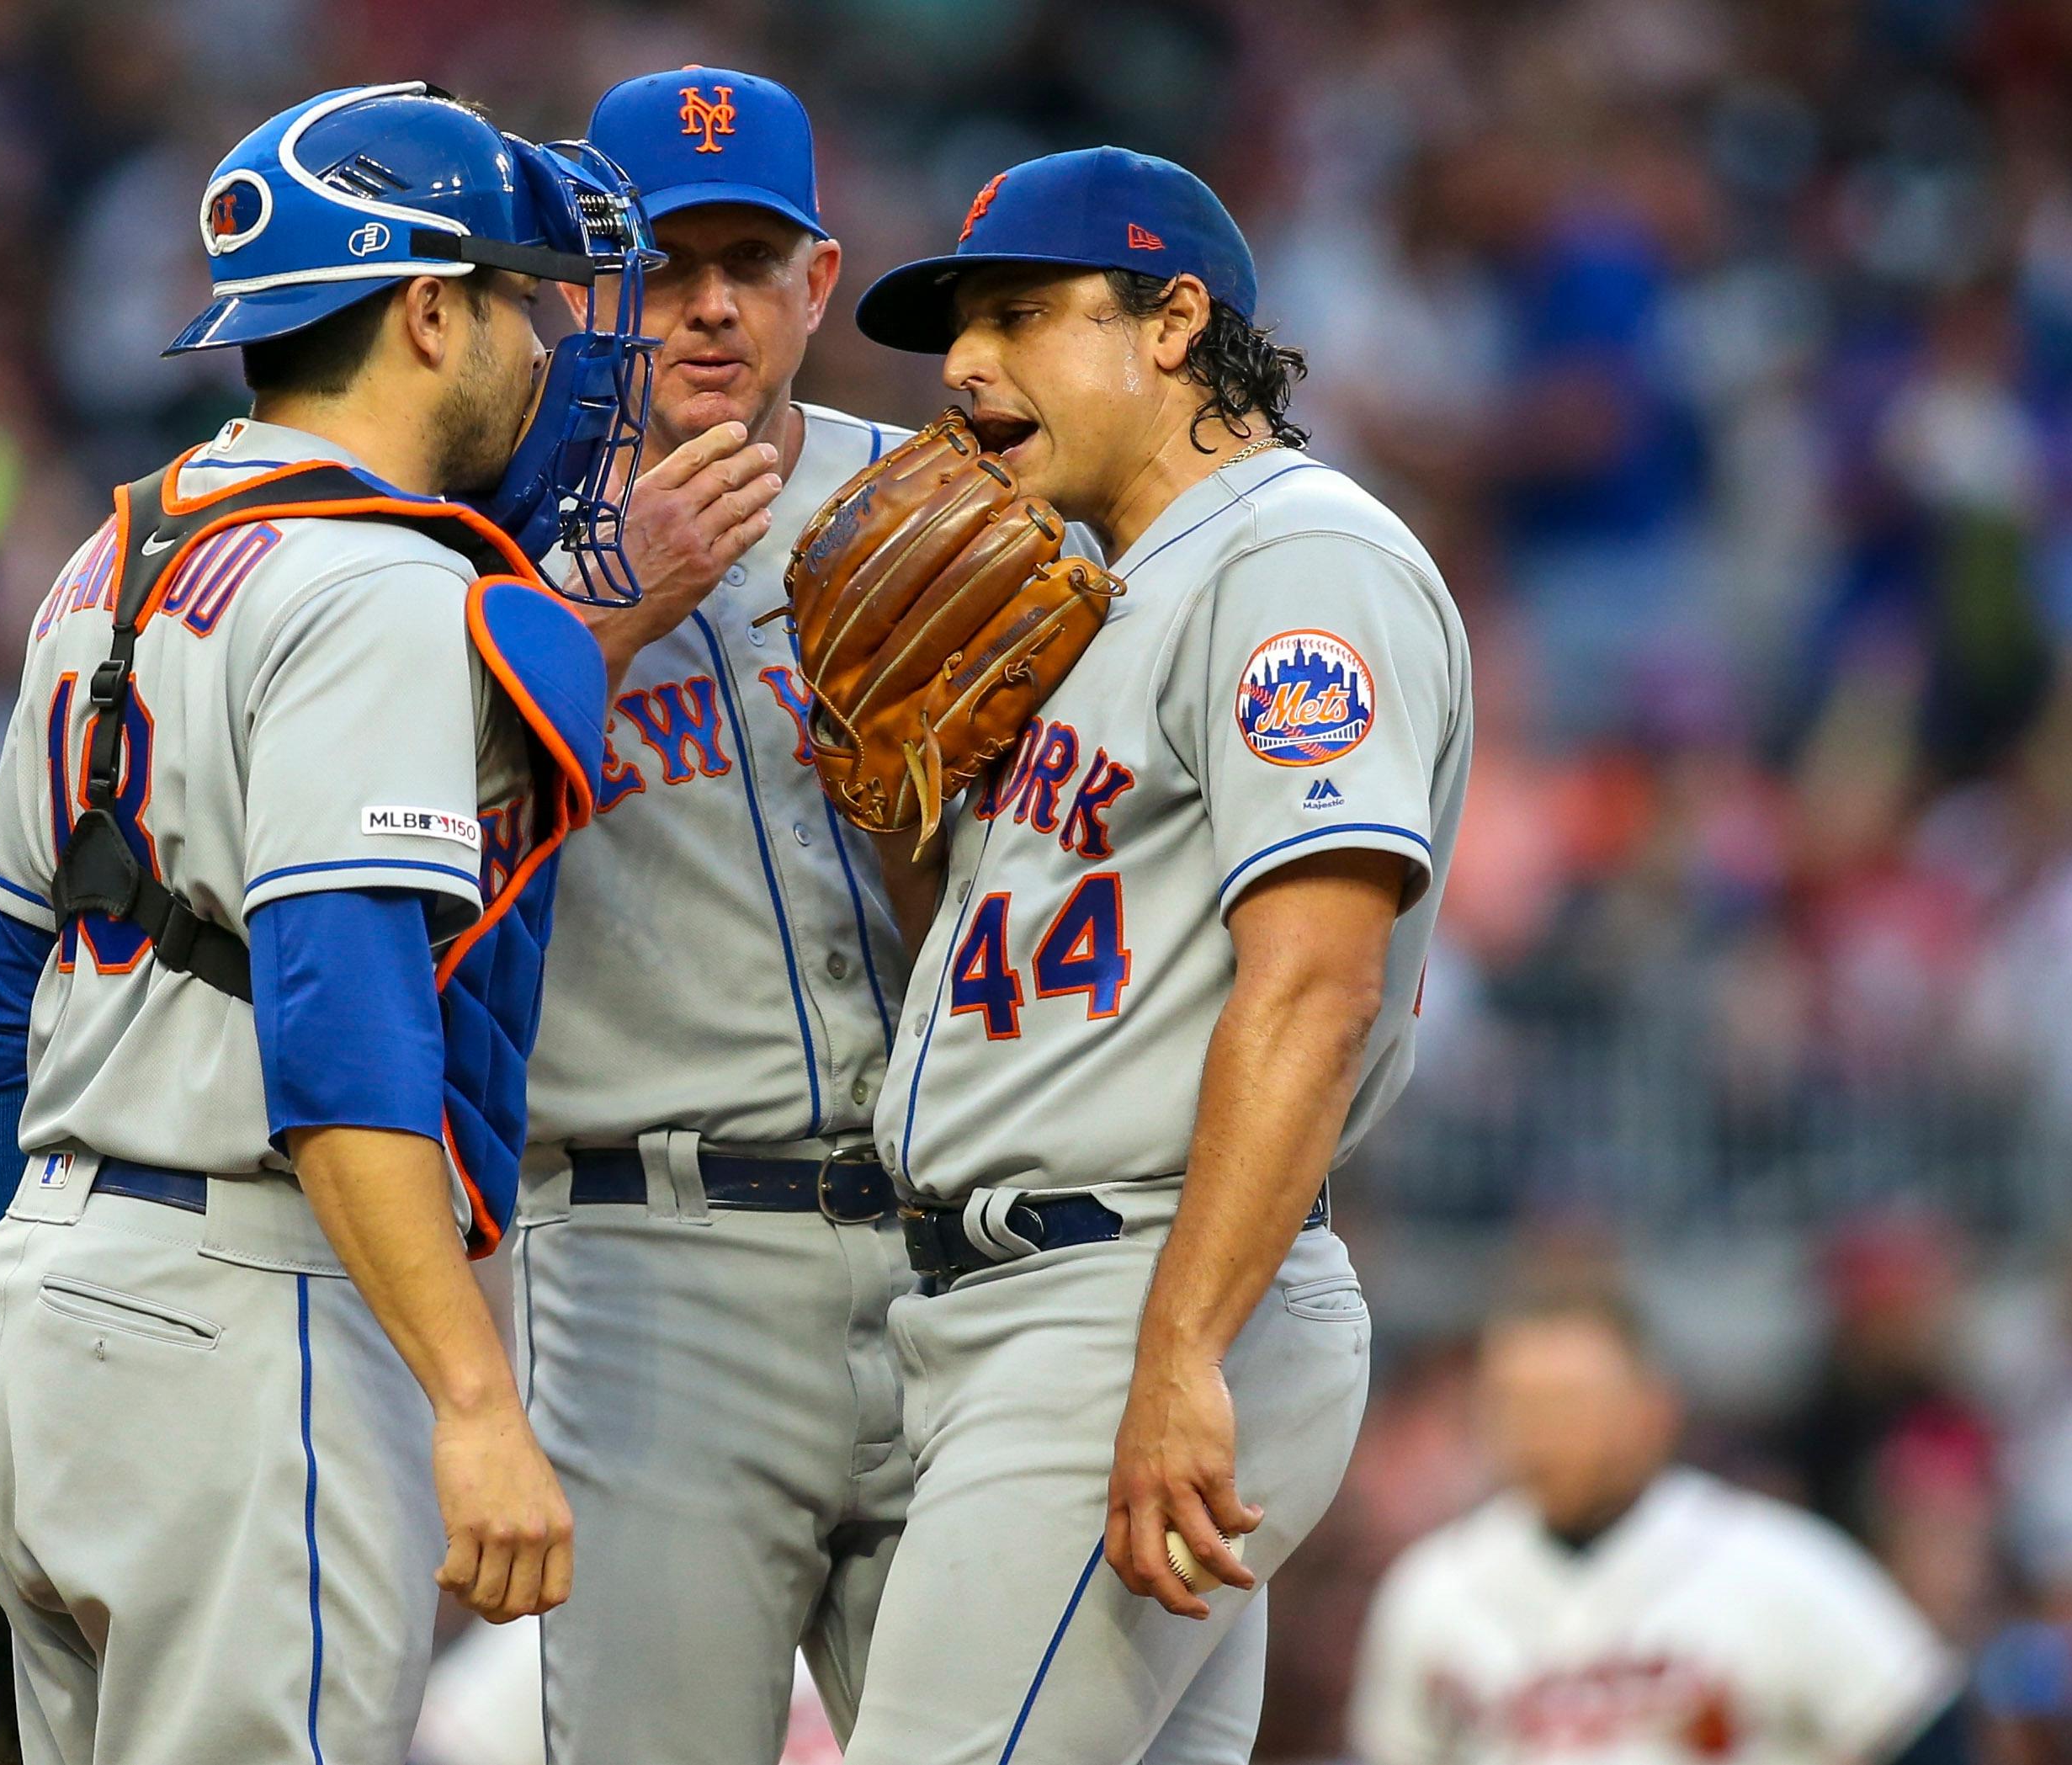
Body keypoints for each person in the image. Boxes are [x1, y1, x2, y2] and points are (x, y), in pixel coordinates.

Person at [513, 71, 1268, 1764]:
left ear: (814, 275)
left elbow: (1086, 857)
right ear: (590, 283)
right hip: (659, 1262)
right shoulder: (488, 539)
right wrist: (596, 619)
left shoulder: (968, 498)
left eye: (751, 261)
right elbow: (403, 841)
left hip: (964, 1247)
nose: (711, 302)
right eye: (669, 261)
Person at [0, 83, 655, 1763]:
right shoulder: (374, 586)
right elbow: (339, 1032)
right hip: (249, 1317)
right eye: (522, 296)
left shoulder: (108, 559)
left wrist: (67, 1298)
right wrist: (477, 1398)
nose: (554, 343)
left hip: (46, 1296)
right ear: (426, 308)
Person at [831, 147, 1475, 1764]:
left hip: (1138, 1289)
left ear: (1177, 322)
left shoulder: (1293, 559)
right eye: (962, 323)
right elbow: (1022, 985)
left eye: (1024, 313)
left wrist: (1181, 1353)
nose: (968, 363)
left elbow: (1317, 986)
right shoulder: (1084, 595)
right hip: (1039, 1297)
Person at [1352, 1291, 1968, 1765]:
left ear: (1652, 1409)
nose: (1539, 1430)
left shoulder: (1774, 1560)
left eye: (1570, 1402)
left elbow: (1923, 1725)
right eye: (1514, 1403)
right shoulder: (1432, 1583)